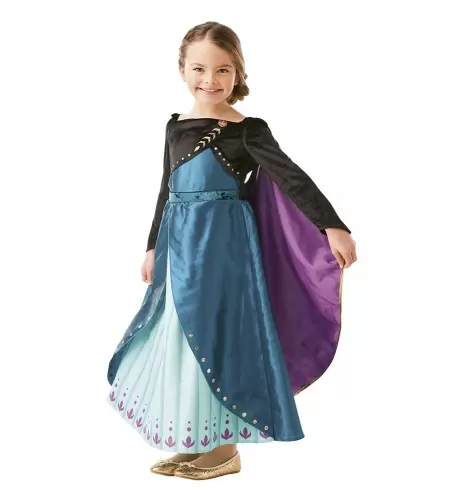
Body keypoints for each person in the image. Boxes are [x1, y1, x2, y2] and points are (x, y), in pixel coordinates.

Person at [106, 20, 357, 481]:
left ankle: (223, 450)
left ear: (238, 73)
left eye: (223, 70)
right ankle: (196, 440)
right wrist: (151, 247)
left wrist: (332, 225)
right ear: (182, 70)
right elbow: (165, 190)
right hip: (178, 245)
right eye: (199, 68)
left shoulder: (247, 130)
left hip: (223, 248)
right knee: (181, 335)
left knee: (217, 333)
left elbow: (292, 177)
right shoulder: (175, 126)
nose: (210, 79)